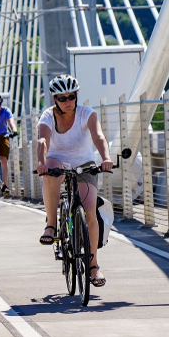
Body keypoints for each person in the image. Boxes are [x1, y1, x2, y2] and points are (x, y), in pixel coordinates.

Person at [36, 74, 113, 288]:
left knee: (90, 213)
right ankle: (51, 225)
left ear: (76, 96)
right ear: (55, 100)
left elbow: (98, 137)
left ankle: (93, 266)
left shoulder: (87, 113)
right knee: (51, 171)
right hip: (57, 161)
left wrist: (106, 158)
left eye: (71, 96)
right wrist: (41, 162)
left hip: (84, 163)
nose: (68, 101)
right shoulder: (48, 116)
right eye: (62, 98)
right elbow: (43, 140)